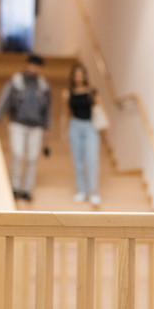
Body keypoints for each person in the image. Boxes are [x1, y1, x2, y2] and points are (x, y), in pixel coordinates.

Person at [0, 54, 52, 202]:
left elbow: (47, 109)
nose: (34, 68)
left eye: (37, 65)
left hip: (36, 126)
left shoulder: (43, 85)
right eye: (32, 64)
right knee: (17, 153)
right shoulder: (16, 81)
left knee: (32, 157)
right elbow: (5, 100)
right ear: (27, 65)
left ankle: (27, 189)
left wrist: (47, 128)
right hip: (17, 123)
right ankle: (15, 187)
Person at [61, 63, 102, 206]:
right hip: (75, 127)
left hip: (90, 127)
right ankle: (82, 190)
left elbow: (100, 109)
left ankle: (93, 192)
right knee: (78, 161)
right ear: (73, 76)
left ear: (84, 75)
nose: (78, 77)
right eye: (76, 74)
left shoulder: (91, 91)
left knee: (91, 160)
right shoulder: (68, 93)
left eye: (81, 74)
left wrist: (107, 128)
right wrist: (63, 132)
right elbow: (64, 114)